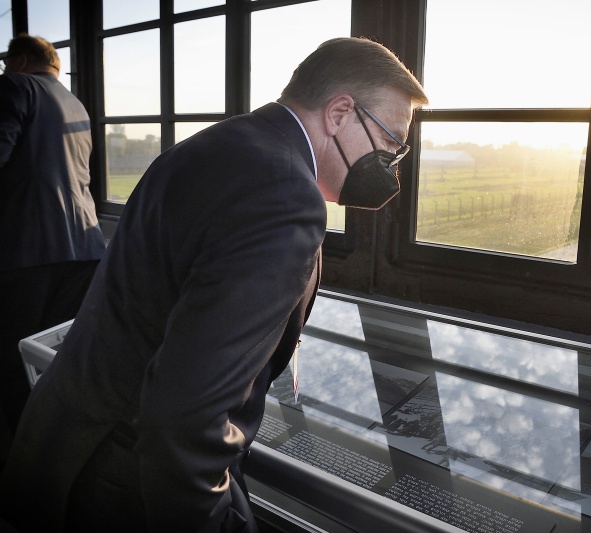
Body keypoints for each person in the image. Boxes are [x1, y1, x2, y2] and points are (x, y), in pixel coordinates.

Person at [0, 36, 427, 532]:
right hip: (129, 485)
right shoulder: (286, 196)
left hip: (65, 445)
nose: (391, 166)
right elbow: (185, 419)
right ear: (338, 114)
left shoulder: (217, 144)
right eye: (391, 143)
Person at [0, 35, 105, 466]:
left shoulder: (15, 86)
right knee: (55, 359)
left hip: (26, 250)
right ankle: (63, 456)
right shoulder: (76, 105)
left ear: (20, 61)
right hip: (84, 249)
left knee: (11, 359)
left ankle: (21, 465)